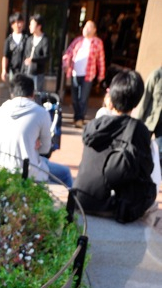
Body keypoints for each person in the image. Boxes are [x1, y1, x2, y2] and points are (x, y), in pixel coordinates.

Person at [73, 70, 157, 223]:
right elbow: (147, 169)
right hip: (112, 205)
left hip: (80, 199)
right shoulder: (139, 130)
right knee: (150, 190)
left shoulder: (95, 124)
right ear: (137, 100)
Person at [0, 73, 73, 187]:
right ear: (33, 93)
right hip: (27, 170)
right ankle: (72, 200)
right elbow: (45, 149)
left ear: (12, 93)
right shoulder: (41, 113)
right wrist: (35, 142)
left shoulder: (1, 109)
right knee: (65, 173)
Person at [62, 20, 106, 129]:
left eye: (89, 27)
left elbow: (101, 60)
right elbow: (68, 53)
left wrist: (101, 74)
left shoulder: (97, 42)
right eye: (85, 27)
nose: (86, 29)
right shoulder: (78, 40)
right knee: (74, 98)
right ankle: (76, 116)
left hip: (88, 74)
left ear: (94, 30)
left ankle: (80, 119)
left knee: (83, 98)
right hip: (75, 73)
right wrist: (66, 64)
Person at [136, 65, 162, 165]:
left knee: (160, 153)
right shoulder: (156, 75)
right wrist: (137, 122)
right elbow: (144, 99)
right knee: (141, 148)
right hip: (150, 120)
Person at [23, 14, 49, 93]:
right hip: (27, 72)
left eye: (32, 24)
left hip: (37, 74)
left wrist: (33, 60)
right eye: (30, 24)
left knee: (36, 94)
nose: (30, 26)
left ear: (39, 26)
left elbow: (46, 57)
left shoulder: (44, 40)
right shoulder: (29, 39)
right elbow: (25, 55)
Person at [1, 13, 27, 84]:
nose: (19, 25)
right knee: (13, 88)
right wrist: (4, 70)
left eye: (20, 22)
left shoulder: (26, 38)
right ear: (12, 25)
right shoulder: (9, 40)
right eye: (17, 23)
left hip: (24, 70)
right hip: (12, 70)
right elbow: (5, 56)